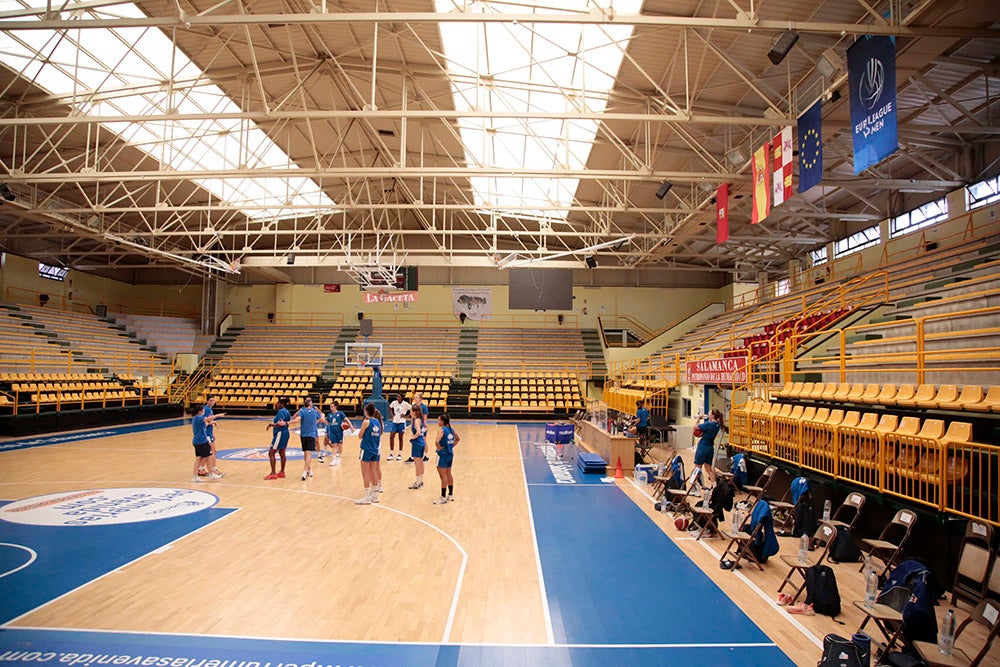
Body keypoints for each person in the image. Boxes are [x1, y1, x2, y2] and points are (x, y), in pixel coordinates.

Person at [288, 397, 326, 481]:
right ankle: (309, 469)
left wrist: (287, 423)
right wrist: (321, 417)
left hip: (305, 435)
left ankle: (305, 472)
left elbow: (296, 419)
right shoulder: (313, 411)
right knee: (307, 454)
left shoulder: (303, 411)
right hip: (307, 435)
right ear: (310, 404)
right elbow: (322, 418)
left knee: (307, 454)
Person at [355, 403, 383, 505]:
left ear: (366, 412)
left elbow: (360, 435)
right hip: (375, 450)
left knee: (365, 473)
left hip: (366, 449)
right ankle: (375, 496)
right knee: (373, 472)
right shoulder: (378, 422)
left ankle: (367, 497)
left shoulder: (366, 422)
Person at [189, 403, 222, 483]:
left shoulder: (196, 419)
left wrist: (212, 423)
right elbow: (207, 419)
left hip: (196, 441)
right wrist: (218, 415)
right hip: (201, 441)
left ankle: (195, 476)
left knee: (199, 458)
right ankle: (211, 474)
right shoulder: (199, 418)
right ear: (200, 411)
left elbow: (206, 423)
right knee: (209, 456)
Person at [693, 409, 726, 487]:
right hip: (710, 447)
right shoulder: (717, 425)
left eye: (709, 412)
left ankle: (695, 487)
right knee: (709, 469)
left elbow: (695, 427)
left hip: (703, 446)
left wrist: (698, 418)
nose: (708, 413)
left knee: (697, 468)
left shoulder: (709, 424)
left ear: (713, 415)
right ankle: (715, 487)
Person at [433, 413, 459, 505]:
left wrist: (439, 448)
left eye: (438, 420)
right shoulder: (451, 429)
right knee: (449, 474)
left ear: (442, 422)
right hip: (450, 454)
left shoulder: (442, 430)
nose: (437, 422)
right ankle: (450, 495)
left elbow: (437, 441)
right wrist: (451, 447)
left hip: (442, 455)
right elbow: (457, 439)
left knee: (443, 476)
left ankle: (443, 497)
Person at [263, 397, 291, 480]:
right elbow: (287, 423)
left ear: (282, 404)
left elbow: (280, 424)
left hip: (280, 433)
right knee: (282, 452)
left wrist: (272, 425)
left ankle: (273, 473)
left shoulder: (281, 412)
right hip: (285, 433)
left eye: (278, 403)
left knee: (271, 453)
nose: (277, 404)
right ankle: (282, 472)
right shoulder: (287, 411)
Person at [198, 396, 226, 477]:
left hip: (209, 433)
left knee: (207, 453)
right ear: (207, 401)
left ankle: (201, 468)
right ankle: (214, 469)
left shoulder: (209, 409)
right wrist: (214, 422)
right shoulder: (206, 409)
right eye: (210, 400)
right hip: (206, 434)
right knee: (213, 452)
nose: (212, 402)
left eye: (213, 400)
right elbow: (205, 421)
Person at [404, 392, 430, 463]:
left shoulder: (424, 407)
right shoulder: (413, 406)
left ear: (420, 399)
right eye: (414, 397)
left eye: (416, 397)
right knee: (414, 441)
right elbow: (412, 418)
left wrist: (424, 427)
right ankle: (412, 456)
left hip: (421, 426)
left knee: (423, 441)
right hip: (415, 426)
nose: (414, 398)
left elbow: (424, 419)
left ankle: (426, 456)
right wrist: (411, 425)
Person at [407, 406, 428, 489]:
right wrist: (422, 433)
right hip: (421, 442)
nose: (410, 413)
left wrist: (413, 437)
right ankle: (421, 481)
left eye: (411, 412)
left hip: (417, 443)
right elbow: (426, 427)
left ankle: (417, 482)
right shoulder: (421, 420)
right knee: (421, 462)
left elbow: (418, 432)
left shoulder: (416, 421)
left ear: (414, 412)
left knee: (417, 463)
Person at [324, 400, 349, 466]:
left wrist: (351, 427)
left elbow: (346, 420)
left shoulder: (340, 413)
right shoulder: (330, 415)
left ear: (335, 407)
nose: (330, 408)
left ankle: (339, 458)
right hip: (332, 432)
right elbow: (326, 422)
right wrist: (322, 419)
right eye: (330, 407)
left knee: (340, 445)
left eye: (332, 406)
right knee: (334, 446)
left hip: (339, 432)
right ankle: (334, 460)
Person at [387, 393, 411, 461]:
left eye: (399, 396)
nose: (397, 397)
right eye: (397, 396)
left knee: (400, 438)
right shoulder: (394, 403)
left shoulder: (405, 404)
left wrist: (406, 416)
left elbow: (412, 410)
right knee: (391, 436)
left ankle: (400, 453)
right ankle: (391, 453)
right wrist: (392, 415)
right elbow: (389, 408)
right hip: (395, 421)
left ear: (402, 398)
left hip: (401, 422)